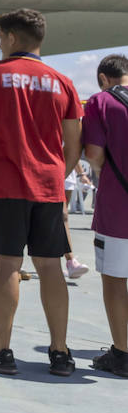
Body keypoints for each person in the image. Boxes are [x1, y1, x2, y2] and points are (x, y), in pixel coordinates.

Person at [0, 9, 81, 376]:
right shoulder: (63, 82)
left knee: (8, 265)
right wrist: (57, 176)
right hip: (48, 187)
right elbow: (73, 146)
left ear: (11, 37)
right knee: (51, 268)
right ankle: (60, 353)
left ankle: (2, 350)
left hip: (6, 184)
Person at [81, 53, 128, 376]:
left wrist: (102, 172)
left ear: (102, 78)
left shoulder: (100, 102)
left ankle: (122, 354)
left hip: (118, 206)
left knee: (114, 279)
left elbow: (94, 154)